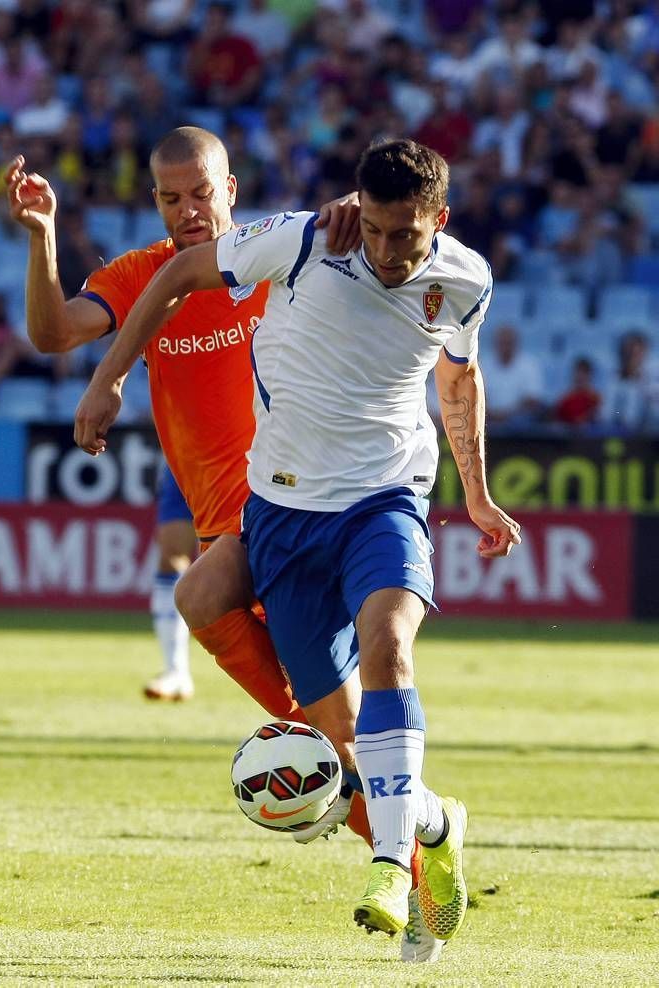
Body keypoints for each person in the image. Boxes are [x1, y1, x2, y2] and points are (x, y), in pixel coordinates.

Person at [73, 138, 521, 947]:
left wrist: (479, 494)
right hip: (284, 514)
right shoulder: (309, 238)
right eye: (377, 230)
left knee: (389, 646)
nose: (386, 251)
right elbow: (177, 274)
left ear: (439, 223)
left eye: (406, 237)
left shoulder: (466, 279)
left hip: (385, 501)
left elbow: (459, 378)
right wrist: (108, 377)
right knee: (347, 738)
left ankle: (389, 863)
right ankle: (428, 823)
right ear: (360, 211)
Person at [8, 127, 437, 961]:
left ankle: (406, 863)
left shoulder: (277, 254)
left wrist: (352, 207)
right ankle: (418, 828)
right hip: (229, 527)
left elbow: (359, 233)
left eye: (200, 193)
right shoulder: (142, 276)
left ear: (231, 189)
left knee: (205, 603)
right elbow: (56, 333)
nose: (187, 211)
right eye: (170, 199)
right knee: (333, 742)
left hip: (296, 510)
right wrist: (44, 237)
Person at [144, 463, 197, 701]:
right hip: (184, 455)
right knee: (171, 556)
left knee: (242, 555)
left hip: (238, 451)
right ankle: (175, 671)